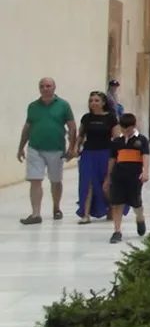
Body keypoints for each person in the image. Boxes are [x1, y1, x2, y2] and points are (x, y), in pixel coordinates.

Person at [17, 77, 77, 225]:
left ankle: (56, 208)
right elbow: (27, 126)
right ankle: (36, 214)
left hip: (56, 148)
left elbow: (72, 126)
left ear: (54, 88)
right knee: (35, 180)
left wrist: (72, 147)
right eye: (42, 86)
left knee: (56, 180)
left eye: (48, 86)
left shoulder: (63, 105)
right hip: (35, 147)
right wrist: (21, 147)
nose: (45, 88)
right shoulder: (33, 106)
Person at [103, 112, 150, 244]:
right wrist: (108, 177)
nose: (125, 131)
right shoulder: (117, 142)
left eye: (128, 129)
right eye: (123, 128)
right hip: (118, 175)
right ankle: (117, 231)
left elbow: (145, 156)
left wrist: (145, 172)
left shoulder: (141, 140)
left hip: (134, 176)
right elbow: (112, 160)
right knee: (117, 203)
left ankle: (140, 217)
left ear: (133, 126)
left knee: (136, 202)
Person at [77, 90, 120, 223]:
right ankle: (85, 214)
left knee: (105, 184)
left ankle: (111, 207)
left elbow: (116, 137)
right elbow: (81, 135)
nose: (93, 103)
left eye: (96, 101)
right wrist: (75, 148)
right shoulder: (86, 118)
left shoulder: (111, 118)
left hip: (106, 153)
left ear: (103, 103)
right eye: (91, 101)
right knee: (87, 183)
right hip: (88, 154)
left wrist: (118, 154)